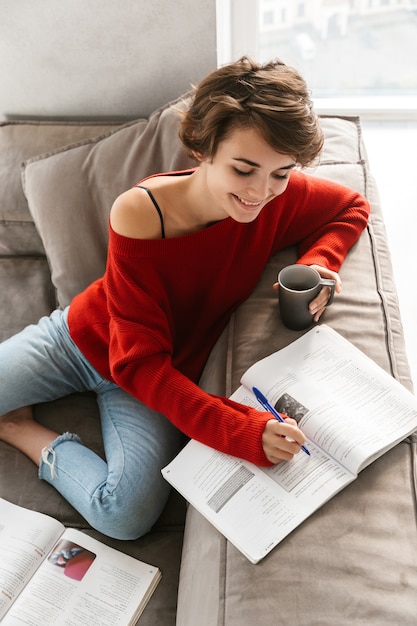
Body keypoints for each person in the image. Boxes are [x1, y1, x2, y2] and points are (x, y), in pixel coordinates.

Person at [0, 57, 370, 540]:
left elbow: (349, 206)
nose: (262, 192)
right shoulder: (139, 212)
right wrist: (239, 431)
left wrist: (321, 261)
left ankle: (17, 429)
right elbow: (134, 361)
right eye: (244, 169)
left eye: (281, 173)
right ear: (205, 148)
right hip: (81, 339)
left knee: (125, 516)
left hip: (159, 375)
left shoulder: (277, 196)